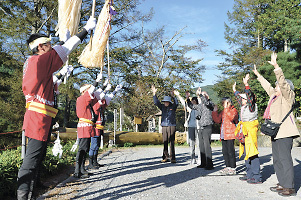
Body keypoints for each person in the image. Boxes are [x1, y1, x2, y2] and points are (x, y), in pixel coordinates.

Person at [17, 16, 97, 199]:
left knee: (38, 156)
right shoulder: (38, 61)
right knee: (31, 160)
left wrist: (61, 73)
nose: (51, 47)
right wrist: (84, 30)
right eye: (48, 44)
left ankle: (34, 186)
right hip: (38, 117)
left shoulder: (36, 64)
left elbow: (49, 80)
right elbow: (64, 50)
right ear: (40, 47)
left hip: (40, 117)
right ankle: (23, 197)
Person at [253, 52, 300, 197]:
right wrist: (258, 75)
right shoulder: (274, 96)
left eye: (278, 86)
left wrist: (276, 66)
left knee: (285, 159)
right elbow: (267, 86)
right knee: (277, 159)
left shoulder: (288, 96)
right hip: (276, 132)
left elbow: (283, 83)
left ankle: (289, 187)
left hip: (285, 132)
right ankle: (282, 182)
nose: (276, 87)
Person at [233, 74, 262, 184]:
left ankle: (257, 176)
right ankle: (249, 174)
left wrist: (246, 84)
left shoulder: (251, 106)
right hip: (245, 131)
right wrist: (234, 90)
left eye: (243, 98)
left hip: (250, 131)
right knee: (246, 153)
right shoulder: (244, 106)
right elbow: (239, 98)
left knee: (253, 154)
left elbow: (249, 97)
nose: (241, 99)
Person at [88, 84, 122, 169]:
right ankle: (91, 163)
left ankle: (95, 162)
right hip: (95, 128)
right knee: (93, 145)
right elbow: (102, 96)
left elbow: (108, 98)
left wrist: (115, 91)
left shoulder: (101, 105)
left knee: (97, 145)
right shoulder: (95, 104)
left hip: (100, 128)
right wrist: (106, 89)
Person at [187, 88, 215, 170]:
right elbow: (192, 106)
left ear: (207, 96)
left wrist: (200, 95)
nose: (202, 96)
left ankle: (209, 164)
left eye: (204, 95)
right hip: (201, 127)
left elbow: (206, 102)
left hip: (207, 126)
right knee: (201, 146)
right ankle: (203, 163)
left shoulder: (210, 103)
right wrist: (188, 99)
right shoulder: (200, 106)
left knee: (207, 146)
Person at [152, 85, 178, 163]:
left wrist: (173, 96)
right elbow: (156, 102)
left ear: (169, 102)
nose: (165, 103)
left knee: (172, 142)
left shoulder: (173, 107)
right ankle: (165, 157)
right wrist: (154, 94)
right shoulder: (162, 107)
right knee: (165, 141)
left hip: (172, 125)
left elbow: (176, 103)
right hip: (164, 125)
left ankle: (172, 158)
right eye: (164, 101)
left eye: (166, 101)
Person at [212, 97, 238, 175]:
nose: (223, 104)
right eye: (223, 103)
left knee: (231, 151)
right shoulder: (224, 111)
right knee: (225, 151)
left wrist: (226, 108)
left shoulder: (233, 110)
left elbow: (232, 118)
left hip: (230, 134)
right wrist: (215, 111)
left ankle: (233, 168)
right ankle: (228, 167)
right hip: (224, 134)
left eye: (225, 103)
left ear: (229, 103)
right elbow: (217, 120)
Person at [174, 90, 198, 165]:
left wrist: (199, 95)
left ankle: (200, 159)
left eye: (194, 101)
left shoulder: (199, 108)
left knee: (199, 144)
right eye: (192, 101)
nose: (193, 102)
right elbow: (183, 102)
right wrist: (178, 95)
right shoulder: (190, 108)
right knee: (191, 143)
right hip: (190, 126)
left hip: (198, 127)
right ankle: (193, 158)